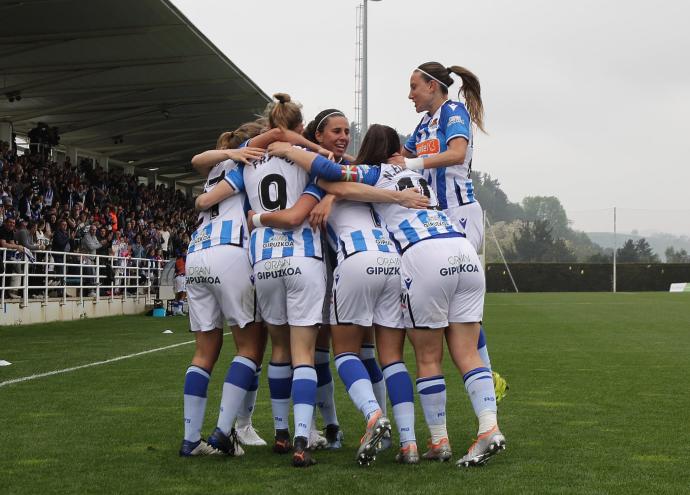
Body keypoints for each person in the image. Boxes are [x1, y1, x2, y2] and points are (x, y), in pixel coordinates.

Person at [268, 124, 506, 468]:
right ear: (398, 150)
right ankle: (489, 426)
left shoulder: (375, 172)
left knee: (426, 357)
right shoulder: (412, 174)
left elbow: (332, 171)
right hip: (463, 250)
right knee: (466, 351)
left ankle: (437, 439)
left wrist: (292, 151)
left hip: (420, 254)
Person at [253, 109, 427, 465]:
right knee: (375, 353)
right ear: (318, 135)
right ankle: (390, 437)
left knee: (343, 351)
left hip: (341, 264)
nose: (344, 136)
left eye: (348, 131)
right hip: (379, 262)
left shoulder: (346, 170)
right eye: (337, 130)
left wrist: (325, 190)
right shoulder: (368, 172)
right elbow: (342, 175)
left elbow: (336, 177)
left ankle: (366, 419)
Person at [194, 93, 328, 467]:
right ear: (298, 127)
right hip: (302, 258)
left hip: (265, 263)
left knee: (279, 351)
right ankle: (302, 438)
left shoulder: (247, 164)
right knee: (303, 354)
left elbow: (206, 196)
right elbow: (333, 169)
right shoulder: (308, 160)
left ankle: (280, 433)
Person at [177, 133, 268, 458]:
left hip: (197, 254)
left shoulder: (213, 173)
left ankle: (191, 440)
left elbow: (198, 165)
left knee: (204, 352)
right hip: (230, 250)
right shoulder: (246, 168)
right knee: (251, 348)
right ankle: (224, 430)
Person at [1, 217, 26, 299]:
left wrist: (17, 247)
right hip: (1, 255)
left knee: (11, 270)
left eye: (13, 223)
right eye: (10, 222)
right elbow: (4, 244)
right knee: (3, 272)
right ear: (6, 222)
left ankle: (7, 292)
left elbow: (12, 243)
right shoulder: (1, 230)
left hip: (6, 255)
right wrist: (17, 246)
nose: (12, 224)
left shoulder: (11, 231)